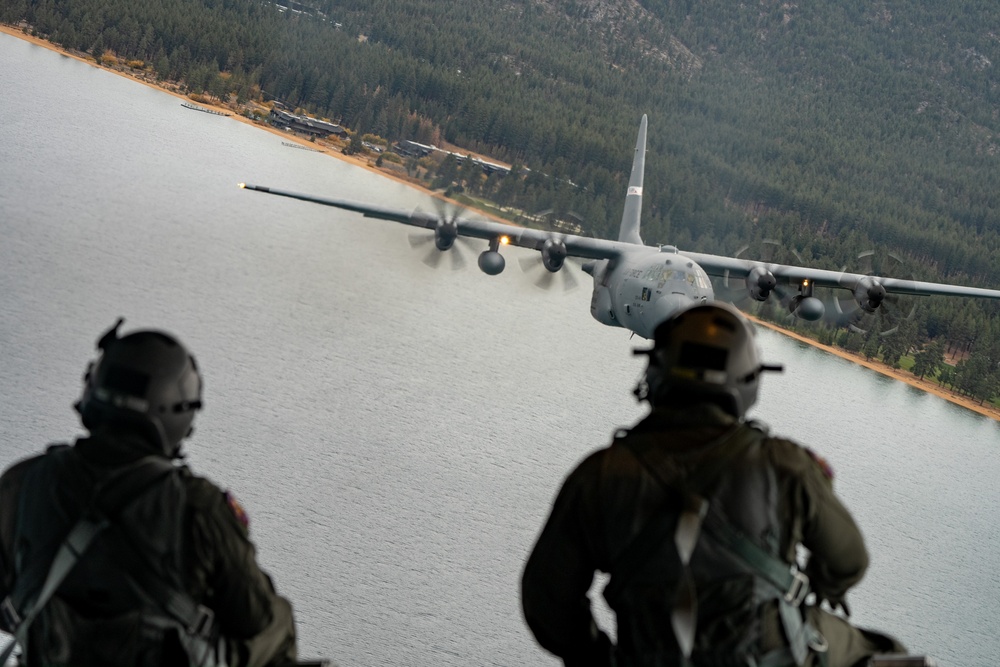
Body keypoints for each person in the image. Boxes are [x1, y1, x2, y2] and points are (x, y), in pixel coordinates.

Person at [521, 302, 907, 667]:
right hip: (769, 657)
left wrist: (598, 658)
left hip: (647, 657)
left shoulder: (599, 474)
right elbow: (849, 561)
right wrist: (821, 588)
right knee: (885, 653)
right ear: (749, 381)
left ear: (656, 371)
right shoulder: (785, 464)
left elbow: (547, 600)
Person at [0, 319, 297, 666]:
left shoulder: (22, 483)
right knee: (276, 619)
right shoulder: (198, 505)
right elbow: (253, 616)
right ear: (178, 412)